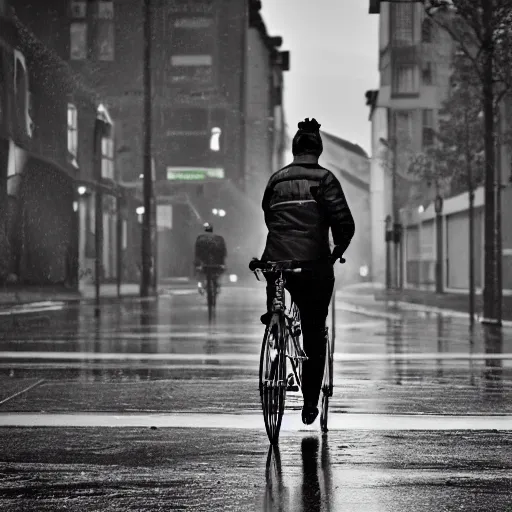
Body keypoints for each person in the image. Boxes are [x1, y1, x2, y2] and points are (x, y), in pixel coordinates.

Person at [259, 117, 355, 425]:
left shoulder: (276, 180)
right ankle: (310, 401)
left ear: (294, 148)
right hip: (313, 265)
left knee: (277, 295)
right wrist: (336, 251)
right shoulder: (325, 180)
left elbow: (268, 215)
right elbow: (344, 225)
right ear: (318, 149)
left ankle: (275, 322)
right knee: (314, 330)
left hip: (275, 262)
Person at [194, 223, 227, 290]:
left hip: (203, 263)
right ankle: (217, 283)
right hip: (217, 264)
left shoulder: (200, 238)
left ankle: (200, 286)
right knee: (220, 272)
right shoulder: (219, 238)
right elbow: (224, 252)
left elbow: (197, 252)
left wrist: (198, 261)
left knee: (199, 272)